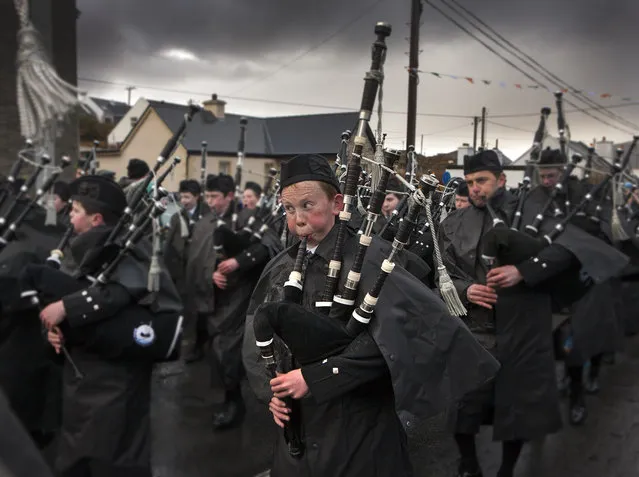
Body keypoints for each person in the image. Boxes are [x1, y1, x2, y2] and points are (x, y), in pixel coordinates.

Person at [243, 154, 499, 477]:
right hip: (298, 439)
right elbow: (260, 337)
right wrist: (273, 390)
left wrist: (315, 377)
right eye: (289, 209)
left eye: (308, 205)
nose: (298, 220)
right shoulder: (282, 266)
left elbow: (404, 337)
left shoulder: (372, 257)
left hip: (360, 435)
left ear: (337, 203)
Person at [440, 150, 579, 477]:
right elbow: (440, 273)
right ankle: (469, 463)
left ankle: (506, 470)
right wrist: (465, 291)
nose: (475, 188)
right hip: (474, 330)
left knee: (516, 408)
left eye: (482, 181)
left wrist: (523, 270)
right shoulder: (452, 223)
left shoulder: (533, 211)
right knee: (463, 404)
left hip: (523, 329)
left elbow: (566, 249)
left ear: (501, 180)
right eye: (471, 182)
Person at [37, 174, 181, 477]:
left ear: (97, 218)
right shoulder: (79, 251)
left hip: (116, 390)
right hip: (79, 385)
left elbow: (133, 314)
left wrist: (70, 311)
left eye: (76, 211)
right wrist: (56, 331)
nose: (70, 218)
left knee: (112, 463)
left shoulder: (131, 255)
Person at [533, 148, 624, 424]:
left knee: (590, 335)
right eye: (543, 176)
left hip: (587, 279)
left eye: (551, 175)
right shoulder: (539, 200)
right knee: (562, 345)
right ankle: (569, 388)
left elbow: (607, 233)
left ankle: (582, 391)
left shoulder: (586, 195)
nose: (547, 181)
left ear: (564, 172)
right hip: (556, 283)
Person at [186, 174, 276, 429]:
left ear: (229, 197)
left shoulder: (248, 218)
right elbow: (194, 262)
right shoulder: (205, 223)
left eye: (216, 197)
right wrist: (210, 273)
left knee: (228, 352)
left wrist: (240, 261)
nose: (211, 202)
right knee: (216, 352)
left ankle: (234, 403)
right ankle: (227, 397)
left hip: (242, 297)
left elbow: (271, 246)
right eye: (209, 196)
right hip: (214, 299)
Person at [164, 179, 206, 362]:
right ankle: (183, 346)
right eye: (182, 196)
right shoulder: (176, 218)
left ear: (197, 197)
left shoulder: (206, 217)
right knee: (185, 311)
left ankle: (199, 347)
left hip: (201, 273)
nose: (184, 200)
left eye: (188, 196)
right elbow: (169, 247)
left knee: (201, 312)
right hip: (181, 274)